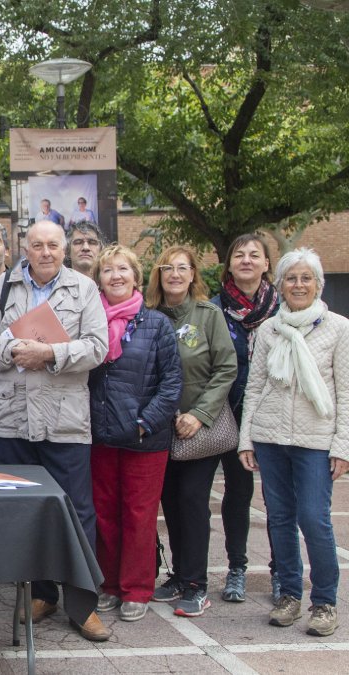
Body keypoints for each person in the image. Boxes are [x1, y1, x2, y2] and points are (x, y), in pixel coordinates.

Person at [0, 220, 110, 641]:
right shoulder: (5, 289)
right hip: (12, 421)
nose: (45, 252)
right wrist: (13, 349)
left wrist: (50, 352)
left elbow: (99, 347)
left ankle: (83, 603)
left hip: (65, 421)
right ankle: (42, 594)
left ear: (63, 250)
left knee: (76, 512)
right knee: (25, 510)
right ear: (25, 249)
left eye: (53, 245)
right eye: (37, 245)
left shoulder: (84, 289)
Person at [238, 248, 347, 637]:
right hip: (270, 438)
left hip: (316, 440)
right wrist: (246, 438)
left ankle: (324, 603)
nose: (298, 284)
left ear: (319, 283)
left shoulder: (338, 327)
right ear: (280, 284)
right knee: (280, 519)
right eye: (291, 278)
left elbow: (346, 392)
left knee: (314, 520)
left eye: (306, 278)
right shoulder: (269, 329)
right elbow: (255, 386)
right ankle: (287, 595)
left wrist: (342, 447)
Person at [86, 246, 182, 623]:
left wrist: (145, 422)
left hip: (145, 440)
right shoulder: (89, 322)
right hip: (100, 437)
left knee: (139, 516)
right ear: (99, 279)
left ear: (136, 276)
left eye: (122, 269)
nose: (115, 276)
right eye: (107, 270)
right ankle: (109, 584)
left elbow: (172, 383)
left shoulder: (157, 324)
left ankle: (137, 588)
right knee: (105, 515)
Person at [146, 246, 237, 618]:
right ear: (159, 275)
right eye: (168, 268)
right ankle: (179, 575)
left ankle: (197, 584)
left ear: (193, 274)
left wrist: (198, 414)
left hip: (199, 428)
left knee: (193, 501)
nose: (175, 274)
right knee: (170, 503)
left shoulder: (207, 315)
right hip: (160, 428)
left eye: (182, 268)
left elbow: (226, 368)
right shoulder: (149, 317)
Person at [211, 233, 280, 603]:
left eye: (255, 255)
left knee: (279, 498)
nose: (247, 261)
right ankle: (236, 568)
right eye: (240, 255)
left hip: (276, 417)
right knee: (237, 494)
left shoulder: (284, 310)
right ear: (230, 264)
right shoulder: (213, 309)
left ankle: (281, 571)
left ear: (267, 264)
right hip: (231, 414)